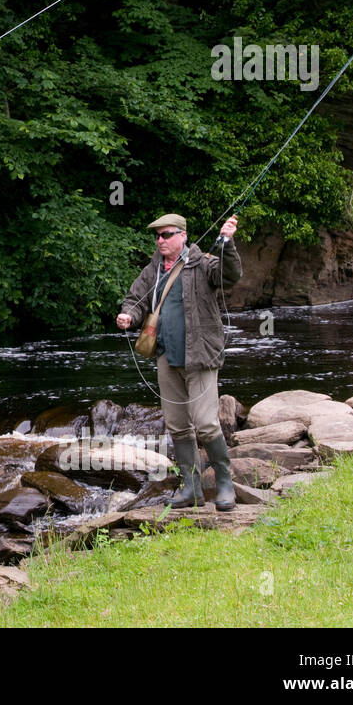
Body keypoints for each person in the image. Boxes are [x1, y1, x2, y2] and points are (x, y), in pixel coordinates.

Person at [115, 213, 241, 510]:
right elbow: (136, 298)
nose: (160, 240)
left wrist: (227, 242)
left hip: (200, 357)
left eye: (166, 235)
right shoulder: (153, 269)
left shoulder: (203, 263)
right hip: (166, 356)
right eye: (157, 236)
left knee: (207, 425)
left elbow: (230, 275)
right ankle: (192, 488)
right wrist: (128, 316)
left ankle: (225, 484)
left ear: (183, 235)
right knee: (177, 426)